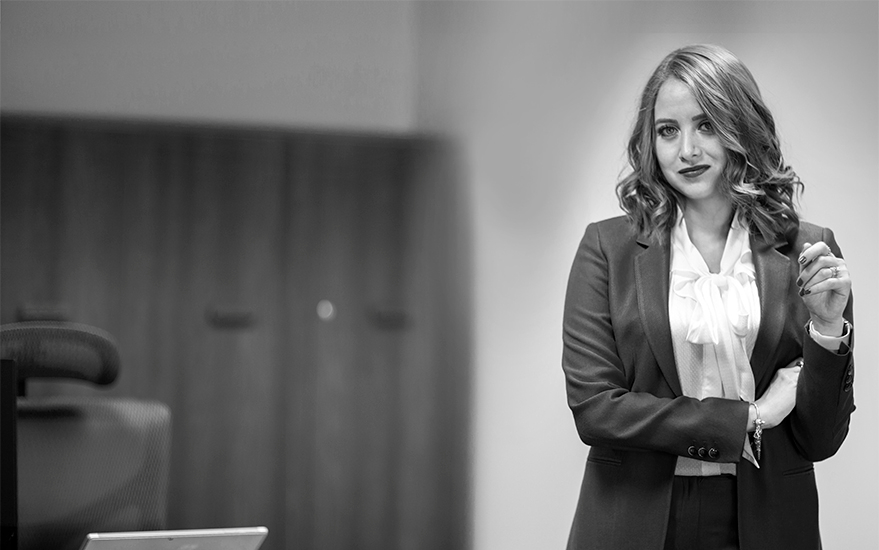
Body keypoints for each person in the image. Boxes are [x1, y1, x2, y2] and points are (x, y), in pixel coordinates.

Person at [561, 44, 854, 550]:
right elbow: (596, 408)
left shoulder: (808, 251)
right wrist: (750, 419)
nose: (687, 150)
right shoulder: (607, 248)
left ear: (740, 127)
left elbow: (821, 438)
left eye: (706, 125)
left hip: (768, 523)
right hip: (634, 521)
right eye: (667, 130)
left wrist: (827, 330)